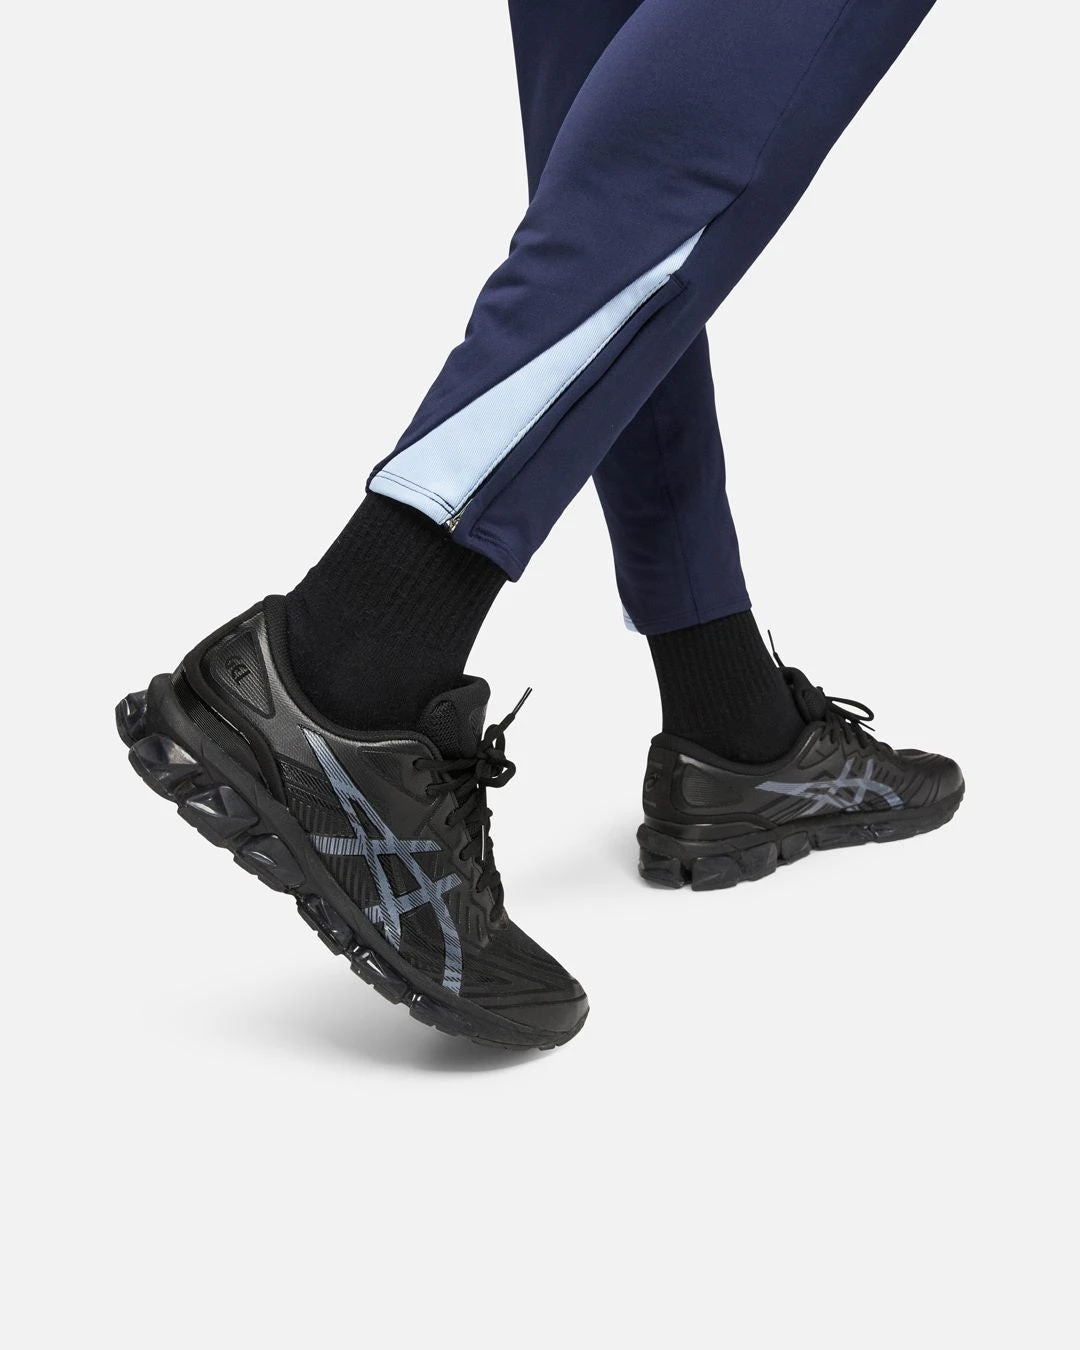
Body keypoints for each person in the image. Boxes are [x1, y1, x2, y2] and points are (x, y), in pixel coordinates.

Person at [117, 0, 963, 1050]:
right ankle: (353, 662)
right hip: (351, 657)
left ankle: (730, 717)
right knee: (715, 118)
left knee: (619, 93)